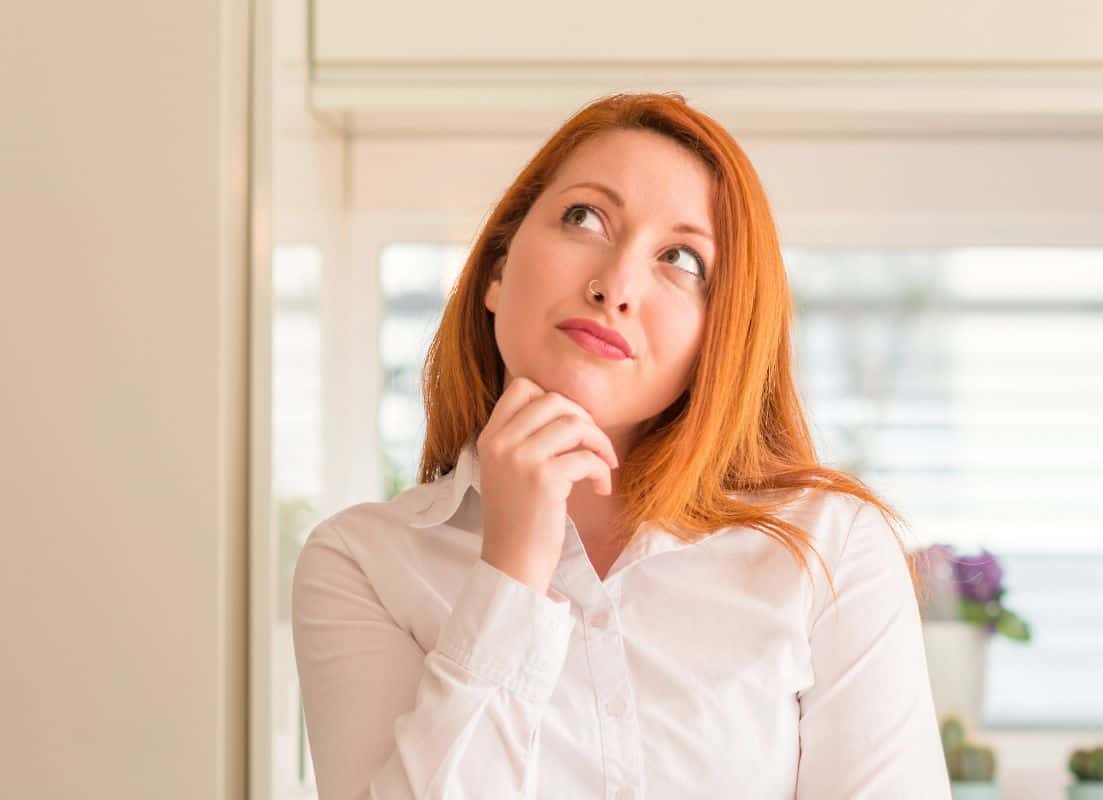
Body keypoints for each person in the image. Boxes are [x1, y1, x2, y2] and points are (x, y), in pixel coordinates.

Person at [291, 91, 952, 800]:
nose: (616, 286)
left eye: (682, 259)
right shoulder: (361, 563)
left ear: (718, 336)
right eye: (585, 218)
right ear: (496, 271)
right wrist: (512, 572)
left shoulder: (830, 550)